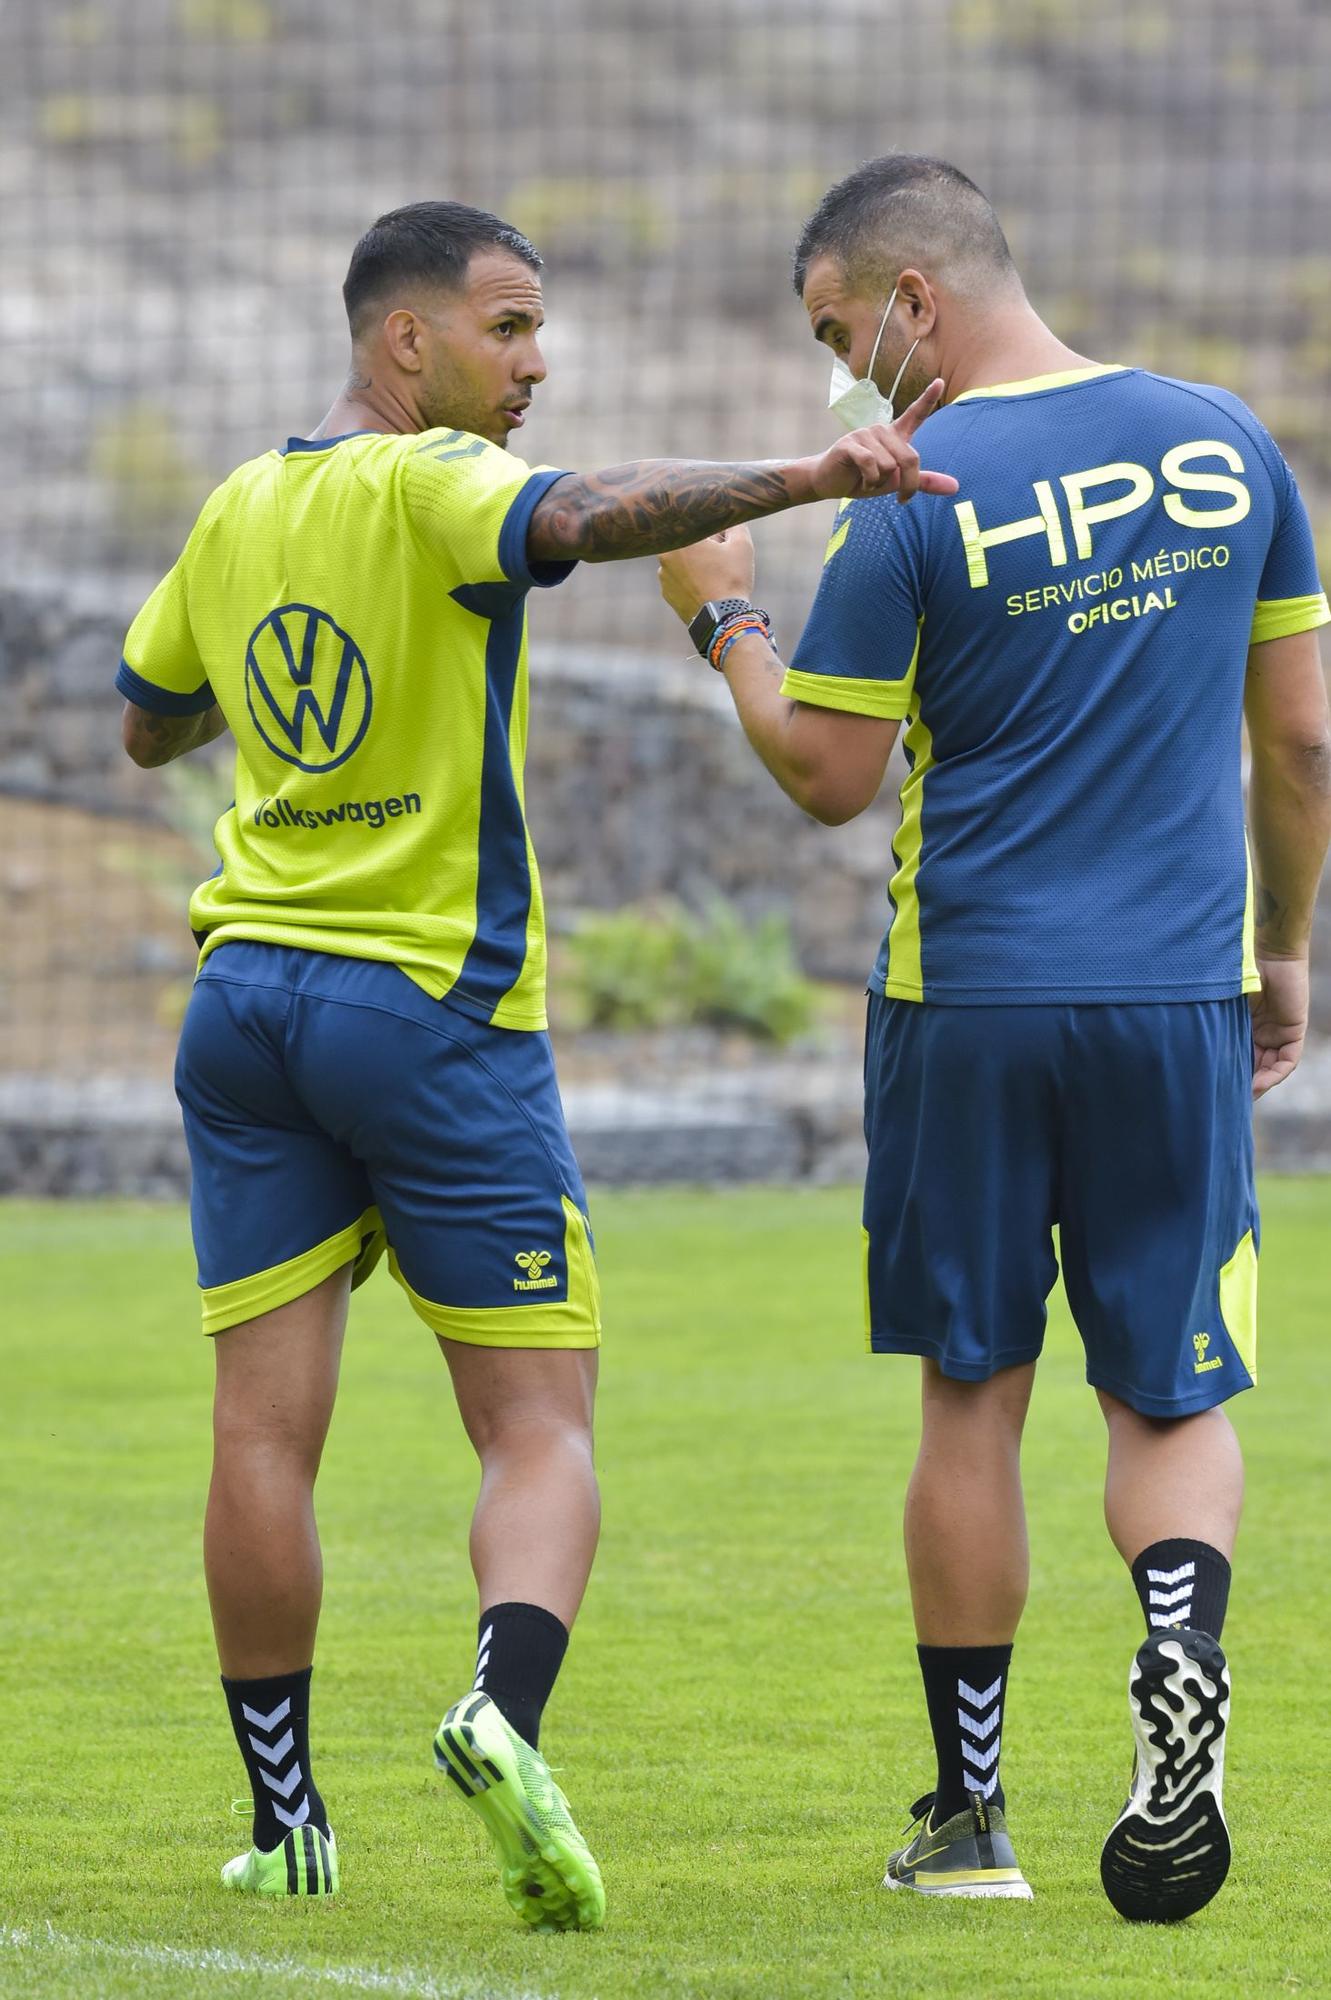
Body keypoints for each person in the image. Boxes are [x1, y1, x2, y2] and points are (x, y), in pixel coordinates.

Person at [116, 199, 956, 1927]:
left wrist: (284, 688)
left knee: (262, 1433)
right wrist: (809, 482)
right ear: (401, 343)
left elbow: (147, 716)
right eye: (507, 329)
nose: (537, 362)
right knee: (539, 1423)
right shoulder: (426, 483)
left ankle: (285, 1827)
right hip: (426, 1010)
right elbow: (580, 516)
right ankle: (500, 1712)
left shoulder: (237, 507)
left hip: (247, 996)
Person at [658, 153, 1331, 1918]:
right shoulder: (1229, 443)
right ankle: (1177, 1655)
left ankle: (970, 1830)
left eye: (840, 334)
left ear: (915, 304)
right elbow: (1307, 750)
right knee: (1167, 1387)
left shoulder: (911, 497)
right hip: (1177, 992)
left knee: (975, 1394)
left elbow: (825, 775)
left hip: (966, 998)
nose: (845, 379)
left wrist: (726, 615)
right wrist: (1284, 952)